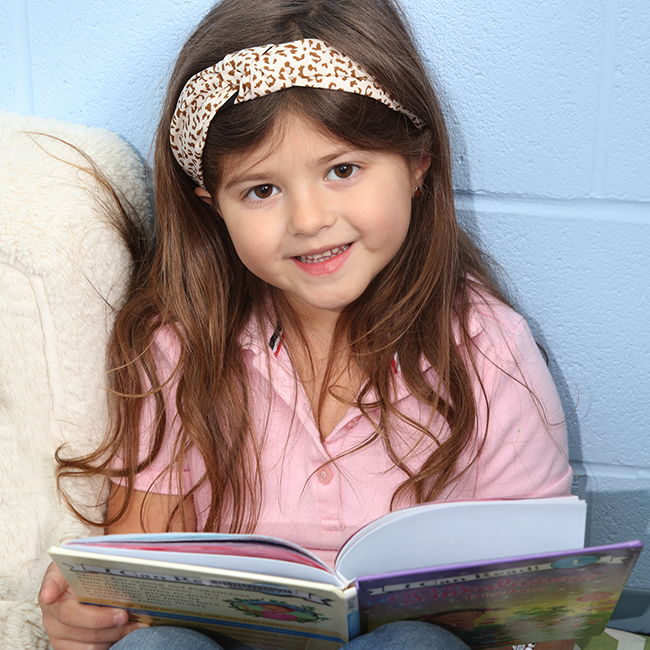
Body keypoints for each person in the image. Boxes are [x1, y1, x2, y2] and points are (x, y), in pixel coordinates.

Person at [38, 0, 572, 648]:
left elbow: (543, 619)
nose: (310, 219)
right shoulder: (179, 347)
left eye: (343, 170)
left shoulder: (490, 351)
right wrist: (88, 620)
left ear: (418, 163)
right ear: (214, 207)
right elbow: (136, 587)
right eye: (262, 190)